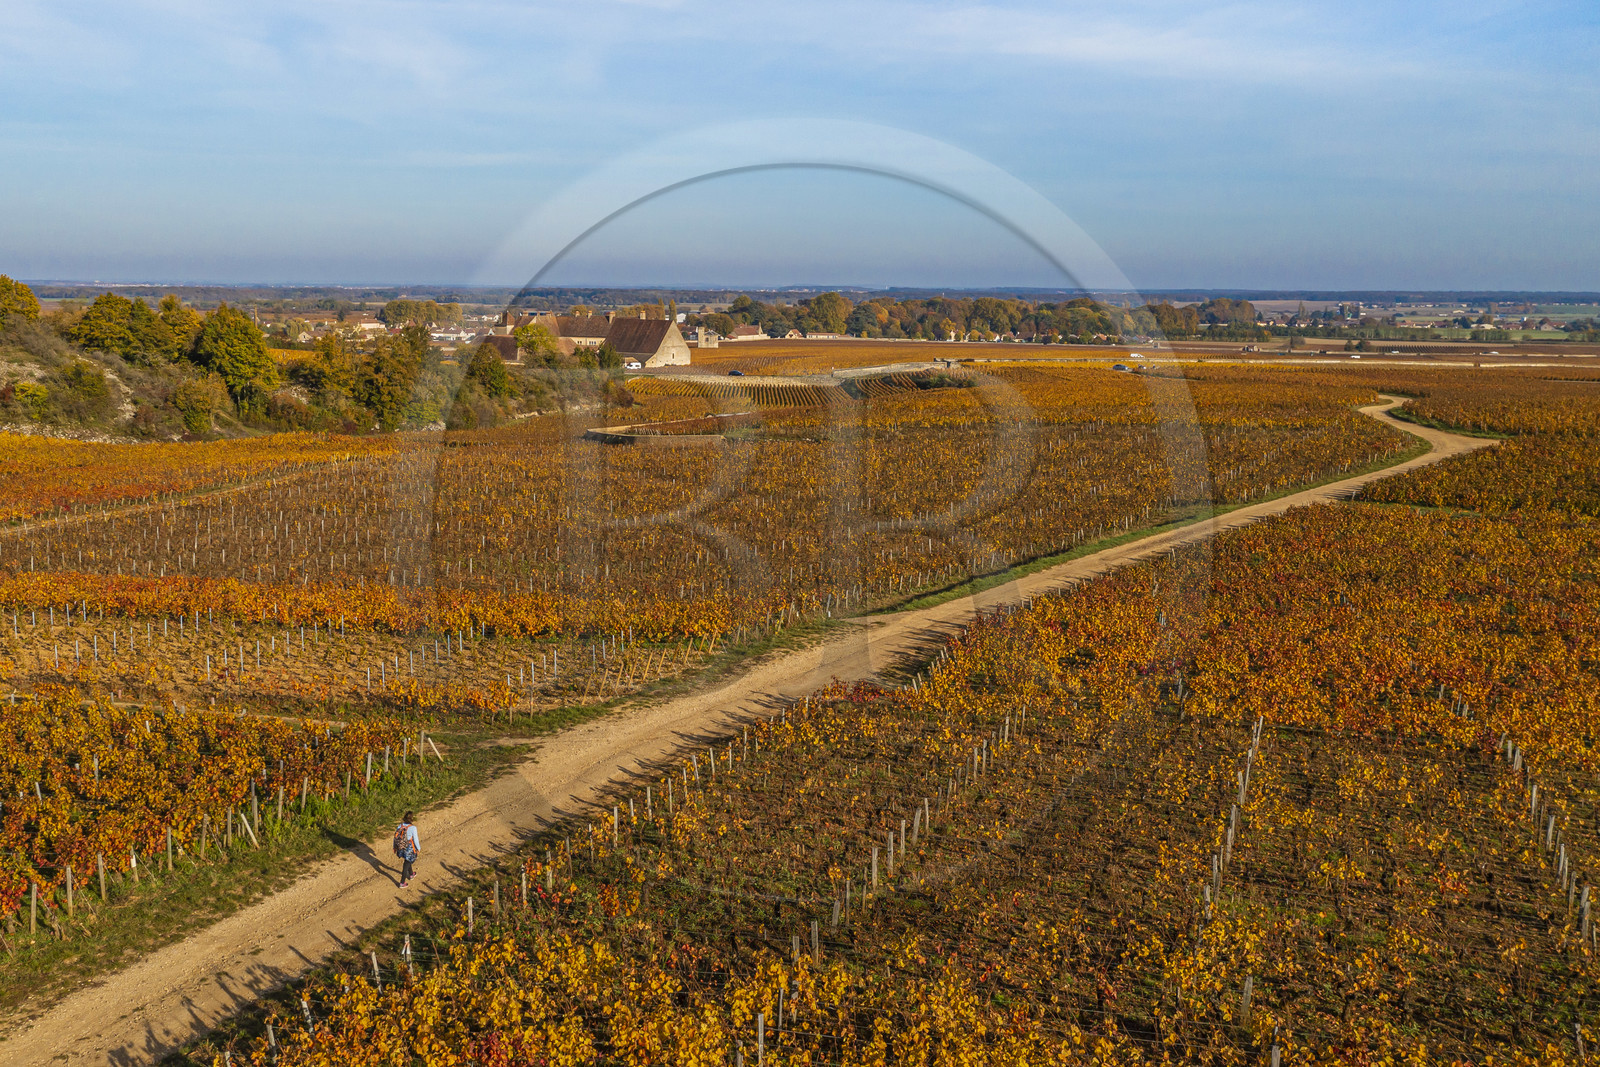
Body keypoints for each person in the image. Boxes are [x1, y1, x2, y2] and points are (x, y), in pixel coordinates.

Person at [393, 811, 420, 888]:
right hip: (409, 849)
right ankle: (402, 883)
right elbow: (415, 840)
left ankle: (411, 874)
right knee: (406, 863)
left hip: (401, 847)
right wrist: (418, 848)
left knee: (408, 860)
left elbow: (395, 837)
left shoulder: (400, 826)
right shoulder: (413, 828)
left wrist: (394, 847)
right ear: (411, 818)